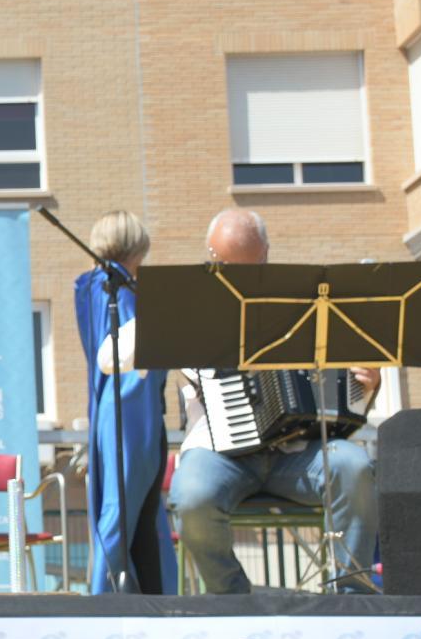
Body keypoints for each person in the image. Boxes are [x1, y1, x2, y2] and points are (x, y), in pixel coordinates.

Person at [167, 209, 381, 594]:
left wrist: (366, 384)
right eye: (227, 268)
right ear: (211, 256)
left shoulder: (306, 303)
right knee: (192, 496)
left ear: (265, 254)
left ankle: (351, 596)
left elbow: (345, 391)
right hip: (220, 453)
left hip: (297, 451)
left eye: (250, 270)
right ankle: (233, 599)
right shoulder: (191, 309)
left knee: (354, 466)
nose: (239, 282)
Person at [75, 210, 175, 595]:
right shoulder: (116, 288)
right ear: (136, 245)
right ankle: (105, 597)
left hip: (123, 407)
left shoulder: (95, 285)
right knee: (123, 510)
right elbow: (132, 353)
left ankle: (140, 596)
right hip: (131, 408)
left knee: (138, 513)